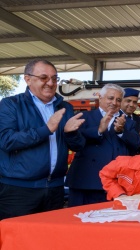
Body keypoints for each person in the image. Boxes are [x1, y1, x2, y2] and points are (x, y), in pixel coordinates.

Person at [0, 59, 85, 220]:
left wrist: (70, 133)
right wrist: (45, 130)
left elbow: (79, 146)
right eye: (44, 78)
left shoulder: (64, 107)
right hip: (19, 190)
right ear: (27, 79)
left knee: (49, 240)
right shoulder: (11, 104)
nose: (50, 83)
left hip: (55, 189)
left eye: (54, 78)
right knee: (17, 242)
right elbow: (6, 141)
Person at [66, 83, 140, 207]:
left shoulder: (129, 123)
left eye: (118, 99)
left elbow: (136, 145)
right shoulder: (84, 117)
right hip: (87, 182)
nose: (114, 102)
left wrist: (122, 131)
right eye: (110, 98)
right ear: (100, 98)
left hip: (116, 184)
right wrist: (99, 130)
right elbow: (76, 142)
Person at [121, 87, 140, 155]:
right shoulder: (115, 116)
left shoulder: (138, 119)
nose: (131, 105)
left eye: (135, 102)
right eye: (128, 101)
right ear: (121, 101)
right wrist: (138, 136)